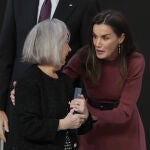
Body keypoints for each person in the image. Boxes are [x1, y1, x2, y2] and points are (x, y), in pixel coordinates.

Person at [0, 0, 100, 142]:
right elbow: (5, 54)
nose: (70, 49)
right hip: (25, 132)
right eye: (65, 43)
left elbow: (89, 61)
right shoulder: (27, 83)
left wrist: (85, 115)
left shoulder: (65, 82)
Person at [62, 9, 147, 150]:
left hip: (125, 133)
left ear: (121, 38)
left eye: (105, 38)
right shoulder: (84, 56)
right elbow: (57, 82)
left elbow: (124, 112)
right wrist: (26, 91)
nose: (97, 44)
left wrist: (89, 114)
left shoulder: (135, 61)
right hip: (91, 130)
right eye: (95, 36)